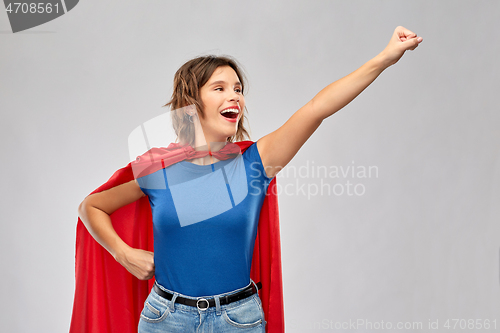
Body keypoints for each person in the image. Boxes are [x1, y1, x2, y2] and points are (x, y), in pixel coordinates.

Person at [74, 26, 422, 333]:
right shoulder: (158, 172)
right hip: (165, 319)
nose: (234, 96)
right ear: (192, 103)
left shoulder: (256, 163)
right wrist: (123, 253)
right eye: (220, 88)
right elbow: (91, 206)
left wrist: (386, 57)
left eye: (238, 89)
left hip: (237, 320)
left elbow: (318, 107)